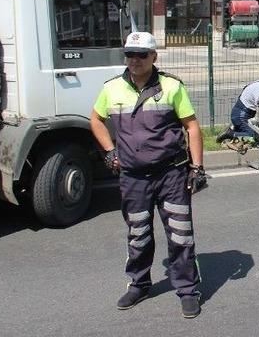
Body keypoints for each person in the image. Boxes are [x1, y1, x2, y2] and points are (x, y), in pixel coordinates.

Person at [90, 31, 207, 319]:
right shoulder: (112, 88)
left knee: (181, 236)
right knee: (138, 234)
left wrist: (197, 167)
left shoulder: (171, 87)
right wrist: (109, 151)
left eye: (142, 55)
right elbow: (95, 119)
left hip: (171, 175)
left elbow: (191, 127)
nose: (135, 60)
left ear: (154, 56)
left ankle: (188, 290)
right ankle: (139, 285)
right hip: (133, 177)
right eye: (130, 54)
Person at [216, 71, 259, 143]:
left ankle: (236, 128)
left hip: (244, 113)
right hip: (241, 115)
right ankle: (229, 134)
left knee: (256, 131)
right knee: (254, 136)